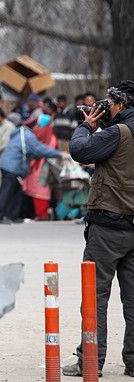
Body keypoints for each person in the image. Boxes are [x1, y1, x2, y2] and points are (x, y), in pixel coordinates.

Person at [62, 81, 134, 378]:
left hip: (109, 225)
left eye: (110, 103)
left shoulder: (118, 133)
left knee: (95, 296)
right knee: (132, 300)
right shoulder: (119, 132)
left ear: (121, 105)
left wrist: (86, 126)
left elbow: (79, 151)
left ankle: (90, 360)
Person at [0, 123, 62, 224]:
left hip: (8, 166)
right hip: (12, 167)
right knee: (6, 192)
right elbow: (40, 149)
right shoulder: (28, 136)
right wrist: (59, 154)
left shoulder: (19, 134)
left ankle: (13, 216)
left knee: (16, 192)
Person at [22, 114, 58, 220]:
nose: (38, 128)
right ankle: (39, 214)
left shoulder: (51, 137)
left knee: (42, 191)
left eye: (40, 125)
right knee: (36, 191)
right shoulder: (39, 136)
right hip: (36, 167)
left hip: (44, 168)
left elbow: (47, 151)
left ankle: (43, 214)